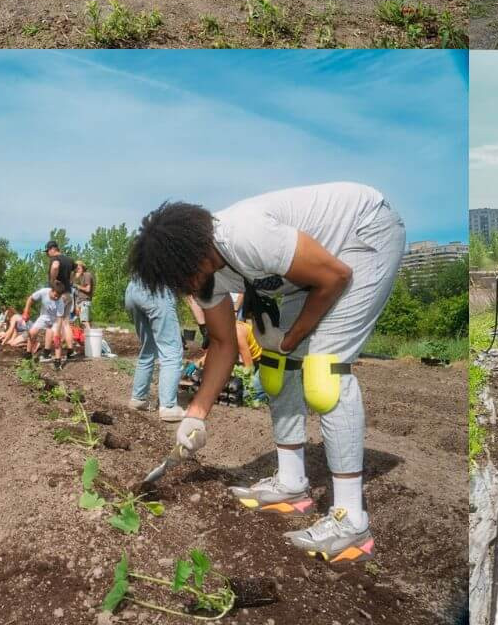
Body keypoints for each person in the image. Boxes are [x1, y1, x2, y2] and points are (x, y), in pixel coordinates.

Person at [127, 182, 406, 562]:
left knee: (325, 373)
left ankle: (350, 523)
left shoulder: (245, 235)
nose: (184, 289)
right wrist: (196, 415)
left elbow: (334, 276)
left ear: (194, 255)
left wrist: (297, 334)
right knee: (273, 364)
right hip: (315, 269)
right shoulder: (206, 277)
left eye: (180, 278)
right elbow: (224, 344)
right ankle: (292, 483)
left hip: (364, 233)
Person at [124, 276, 187, 420]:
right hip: (156, 290)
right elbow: (192, 294)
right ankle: (168, 407)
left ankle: (138, 399)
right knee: (171, 351)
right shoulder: (182, 255)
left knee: (148, 348)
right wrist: (202, 324)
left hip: (133, 289)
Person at [22, 283, 71, 367]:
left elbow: (59, 319)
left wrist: (57, 333)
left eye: (58, 296)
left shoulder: (60, 303)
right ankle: (28, 354)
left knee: (57, 339)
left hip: (55, 319)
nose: (56, 298)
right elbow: (30, 299)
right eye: (55, 295)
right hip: (44, 317)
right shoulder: (43, 292)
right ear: (52, 290)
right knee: (32, 333)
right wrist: (26, 311)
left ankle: (57, 361)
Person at [73, 261, 95, 329]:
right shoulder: (80, 277)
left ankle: (91, 337)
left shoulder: (87, 275)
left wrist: (77, 286)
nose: (77, 270)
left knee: (84, 321)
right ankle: (85, 337)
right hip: (79, 301)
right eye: (76, 269)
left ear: (83, 267)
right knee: (81, 322)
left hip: (85, 301)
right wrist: (76, 305)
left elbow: (88, 289)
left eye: (78, 268)